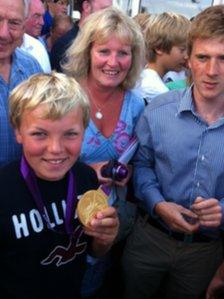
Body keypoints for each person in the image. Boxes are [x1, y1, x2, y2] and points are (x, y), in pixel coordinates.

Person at [122, 5, 224, 299]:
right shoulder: (158, 110)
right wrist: (157, 204)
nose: (212, 70)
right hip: (149, 239)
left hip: (204, 254)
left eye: (222, 58)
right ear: (188, 60)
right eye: (203, 57)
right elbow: (141, 164)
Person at [0, 71, 119, 299]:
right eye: (40, 134)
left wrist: (104, 238)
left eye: (70, 134)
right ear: (18, 132)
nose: (55, 148)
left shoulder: (86, 178)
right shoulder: (4, 191)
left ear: (84, 131)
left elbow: (93, 248)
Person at [63, 6, 145, 298]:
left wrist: (130, 171)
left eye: (123, 53)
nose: (113, 62)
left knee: (96, 287)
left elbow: (138, 158)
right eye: (104, 51)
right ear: (87, 52)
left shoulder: (135, 105)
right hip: (63, 221)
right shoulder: (65, 97)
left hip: (110, 222)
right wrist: (87, 172)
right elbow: (39, 161)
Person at [0, 0, 43, 168]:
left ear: (24, 28)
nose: (3, 33)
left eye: (14, 23)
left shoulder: (32, 67)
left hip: (26, 185)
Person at [133, 12, 190, 103]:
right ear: (159, 48)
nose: (186, 56)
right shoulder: (158, 91)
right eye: (182, 50)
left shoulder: (142, 78)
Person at [50, 0, 112, 72]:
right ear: (87, 6)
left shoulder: (107, 41)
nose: (110, 16)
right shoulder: (65, 45)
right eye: (105, 10)